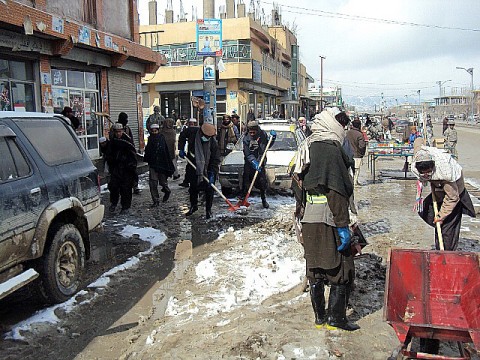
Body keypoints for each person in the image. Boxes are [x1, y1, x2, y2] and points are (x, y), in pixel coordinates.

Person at [292, 108, 359, 332]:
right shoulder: (330, 150)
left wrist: (300, 212)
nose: (343, 129)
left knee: (315, 268)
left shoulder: (308, 145)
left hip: (310, 217)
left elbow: (296, 182)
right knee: (342, 267)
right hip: (330, 218)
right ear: (332, 123)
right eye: (341, 124)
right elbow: (336, 191)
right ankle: (336, 319)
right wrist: (343, 226)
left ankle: (319, 318)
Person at [411, 138, 475, 354]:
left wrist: (441, 215)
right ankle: (440, 243)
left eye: (428, 172)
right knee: (423, 209)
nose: (426, 174)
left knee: (446, 233)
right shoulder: (420, 159)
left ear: (434, 168)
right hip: (438, 192)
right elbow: (418, 143)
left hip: (453, 197)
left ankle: (445, 257)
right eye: (423, 172)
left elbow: (453, 198)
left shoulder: (446, 175)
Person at [178, 123, 220, 219]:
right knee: (193, 188)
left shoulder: (213, 143)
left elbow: (215, 159)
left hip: (207, 168)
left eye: (209, 137)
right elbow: (182, 135)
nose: (207, 138)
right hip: (193, 165)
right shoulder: (192, 132)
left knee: (209, 189)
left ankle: (208, 210)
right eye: (205, 136)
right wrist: (181, 148)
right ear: (201, 133)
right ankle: (194, 206)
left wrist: (212, 173)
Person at [240, 120, 276, 209]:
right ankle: (243, 201)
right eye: (250, 132)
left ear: (257, 130)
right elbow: (247, 153)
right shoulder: (246, 138)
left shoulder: (262, 135)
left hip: (261, 161)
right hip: (249, 164)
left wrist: (273, 138)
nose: (251, 134)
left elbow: (267, 145)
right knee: (246, 183)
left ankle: (264, 200)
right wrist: (253, 162)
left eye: (253, 132)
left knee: (262, 183)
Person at [106, 123, 138, 215]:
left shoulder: (127, 141)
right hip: (116, 169)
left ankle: (125, 206)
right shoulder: (112, 142)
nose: (118, 134)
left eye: (119, 132)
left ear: (123, 131)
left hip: (126, 169)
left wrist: (130, 166)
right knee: (114, 187)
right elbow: (108, 154)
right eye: (116, 132)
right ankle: (114, 203)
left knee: (126, 188)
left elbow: (133, 155)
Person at [143, 123, 174, 207]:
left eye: (155, 131)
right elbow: (148, 150)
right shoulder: (150, 139)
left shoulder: (161, 139)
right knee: (153, 183)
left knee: (163, 182)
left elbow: (165, 151)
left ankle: (167, 190)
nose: (154, 133)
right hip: (153, 165)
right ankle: (155, 200)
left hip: (162, 165)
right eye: (152, 131)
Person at [116, 112, 140, 194]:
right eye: (125, 119)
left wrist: (133, 150)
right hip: (119, 154)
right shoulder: (115, 128)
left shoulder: (127, 129)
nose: (126, 120)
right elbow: (113, 141)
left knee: (133, 171)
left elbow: (131, 140)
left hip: (128, 153)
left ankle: (135, 186)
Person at [346, 118, 366, 186]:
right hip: (357, 155)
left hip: (347, 154)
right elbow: (362, 146)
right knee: (356, 170)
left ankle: (350, 182)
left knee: (349, 170)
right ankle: (355, 183)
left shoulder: (347, 133)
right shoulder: (359, 134)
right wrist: (362, 154)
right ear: (359, 126)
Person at [178, 118, 198, 187]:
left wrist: (181, 149)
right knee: (190, 166)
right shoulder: (199, 130)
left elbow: (182, 139)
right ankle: (187, 181)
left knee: (190, 167)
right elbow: (182, 139)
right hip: (193, 152)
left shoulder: (189, 130)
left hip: (194, 152)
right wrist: (181, 149)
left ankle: (189, 181)